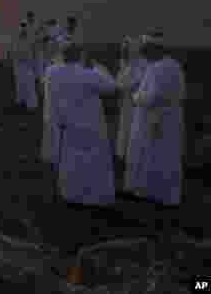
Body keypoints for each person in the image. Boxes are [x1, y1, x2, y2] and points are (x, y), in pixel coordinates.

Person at [47, 42, 116, 206]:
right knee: (90, 163)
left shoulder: (53, 73)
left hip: (66, 125)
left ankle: (70, 193)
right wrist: (97, 68)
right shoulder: (88, 74)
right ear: (80, 56)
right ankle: (90, 197)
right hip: (89, 126)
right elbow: (111, 86)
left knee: (70, 163)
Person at [126, 32, 185, 206]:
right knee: (169, 157)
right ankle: (168, 195)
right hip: (173, 118)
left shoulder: (155, 68)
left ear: (154, 49)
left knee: (150, 156)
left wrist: (136, 97)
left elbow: (151, 97)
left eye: (146, 49)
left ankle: (149, 193)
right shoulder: (176, 66)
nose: (144, 53)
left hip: (153, 119)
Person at [115, 37, 144, 165]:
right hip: (126, 102)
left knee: (132, 130)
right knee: (124, 129)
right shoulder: (125, 63)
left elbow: (135, 82)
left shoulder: (140, 64)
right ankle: (122, 157)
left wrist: (122, 86)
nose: (124, 51)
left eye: (126, 49)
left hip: (135, 104)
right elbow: (120, 79)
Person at [11, 22, 38, 110]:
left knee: (29, 85)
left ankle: (30, 104)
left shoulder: (31, 40)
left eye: (24, 28)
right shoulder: (16, 41)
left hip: (28, 66)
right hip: (19, 66)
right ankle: (20, 101)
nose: (23, 30)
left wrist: (33, 64)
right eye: (21, 28)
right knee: (19, 85)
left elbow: (33, 53)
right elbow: (14, 53)